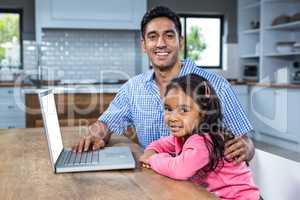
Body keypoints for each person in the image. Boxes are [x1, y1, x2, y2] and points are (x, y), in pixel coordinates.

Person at [72, 6, 254, 164]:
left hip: (205, 186)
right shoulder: (133, 88)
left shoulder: (215, 85)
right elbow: (107, 123)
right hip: (155, 181)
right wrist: (95, 135)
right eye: (153, 37)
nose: (161, 44)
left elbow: (245, 141)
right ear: (144, 45)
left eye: (169, 35)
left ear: (180, 41)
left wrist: (246, 147)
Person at [139, 74, 260, 200]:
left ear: (203, 113)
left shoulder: (203, 140)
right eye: (168, 109)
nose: (172, 117)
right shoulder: (183, 136)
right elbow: (160, 144)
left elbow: (180, 170)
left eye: (183, 110)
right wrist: (150, 152)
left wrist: (153, 159)